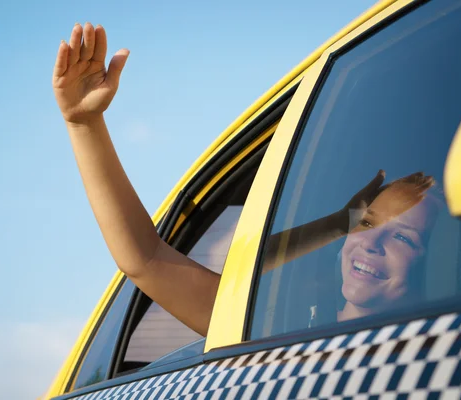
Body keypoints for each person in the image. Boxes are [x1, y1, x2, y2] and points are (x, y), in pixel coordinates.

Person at [52, 22, 438, 336]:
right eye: (368, 223)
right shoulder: (271, 332)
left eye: (404, 237)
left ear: (435, 264)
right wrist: (84, 124)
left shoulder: (432, 355)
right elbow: (147, 258)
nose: (371, 244)